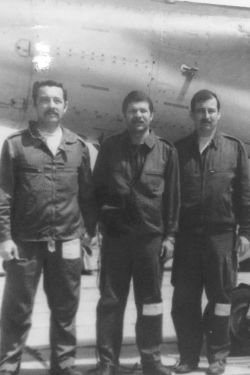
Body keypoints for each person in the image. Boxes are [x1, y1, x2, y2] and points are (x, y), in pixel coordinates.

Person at [0, 80, 97, 375]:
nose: (51, 106)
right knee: (17, 310)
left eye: (56, 101)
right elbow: (4, 194)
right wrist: (4, 237)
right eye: (44, 100)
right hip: (25, 242)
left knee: (65, 310)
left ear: (66, 106)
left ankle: (63, 367)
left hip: (68, 240)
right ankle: (8, 367)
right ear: (35, 104)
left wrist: (90, 232)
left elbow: (87, 195)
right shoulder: (16, 144)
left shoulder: (78, 147)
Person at [89, 91, 180, 375]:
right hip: (115, 240)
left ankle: (151, 362)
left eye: (143, 111)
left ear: (151, 116)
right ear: (124, 115)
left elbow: (173, 200)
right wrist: (90, 230)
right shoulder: (110, 148)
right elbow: (96, 191)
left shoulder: (167, 151)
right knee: (110, 303)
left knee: (150, 304)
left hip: (150, 242)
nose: (138, 115)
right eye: (132, 111)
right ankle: (107, 364)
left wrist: (170, 237)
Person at [171, 90, 250, 375]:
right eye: (200, 111)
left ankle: (217, 357)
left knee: (221, 302)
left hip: (221, 239)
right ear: (191, 115)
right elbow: (169, 196)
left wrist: (245, 232)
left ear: (219, 114)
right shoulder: (178, 150)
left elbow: (245, 194)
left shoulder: (234, 148)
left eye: (210, 111)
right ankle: (188, 357)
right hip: (187, 239)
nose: (206, 116)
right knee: (184, 303)